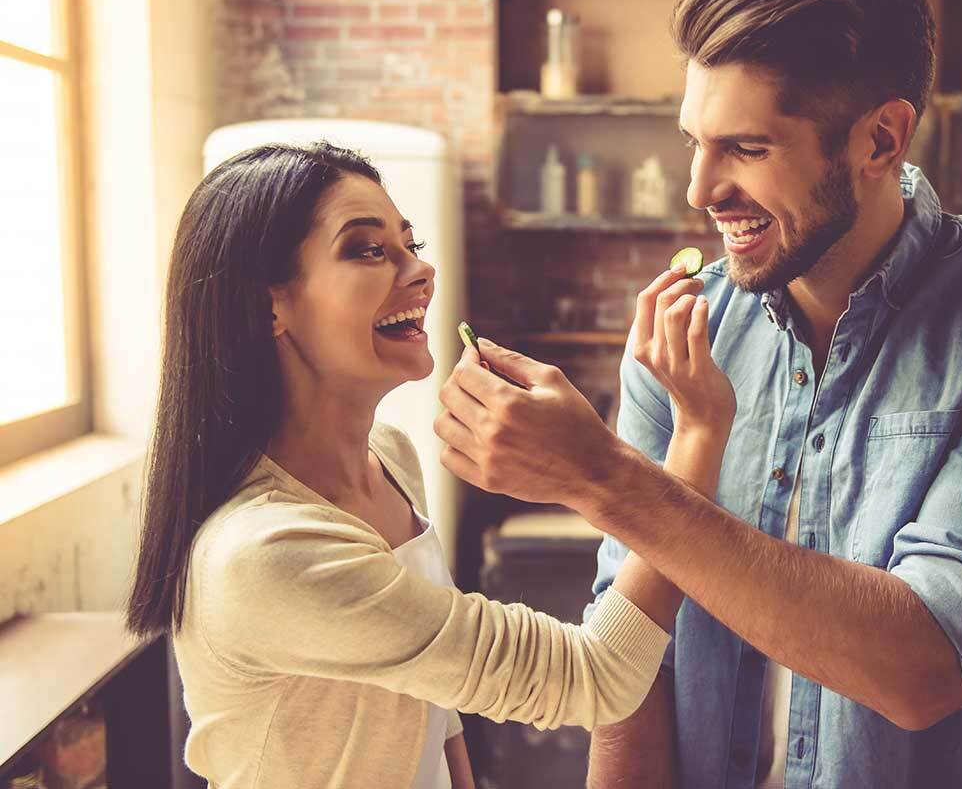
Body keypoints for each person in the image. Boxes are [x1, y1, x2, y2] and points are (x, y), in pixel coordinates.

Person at [434, 0, 962, 789]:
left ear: (881, 140)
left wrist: (602, 477)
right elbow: (633, 669)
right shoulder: (683, 333)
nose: (700, 190)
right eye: (695, 140)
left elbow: (928, 663)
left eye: (747, 149)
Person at [124, 141, 732, 789]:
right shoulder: (268, 551)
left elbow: (434, 711)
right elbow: (596, 677)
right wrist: (695, 433)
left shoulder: (388, 456)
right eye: (366, 248)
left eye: (409, 244)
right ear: (265, 304)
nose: (420, 270)